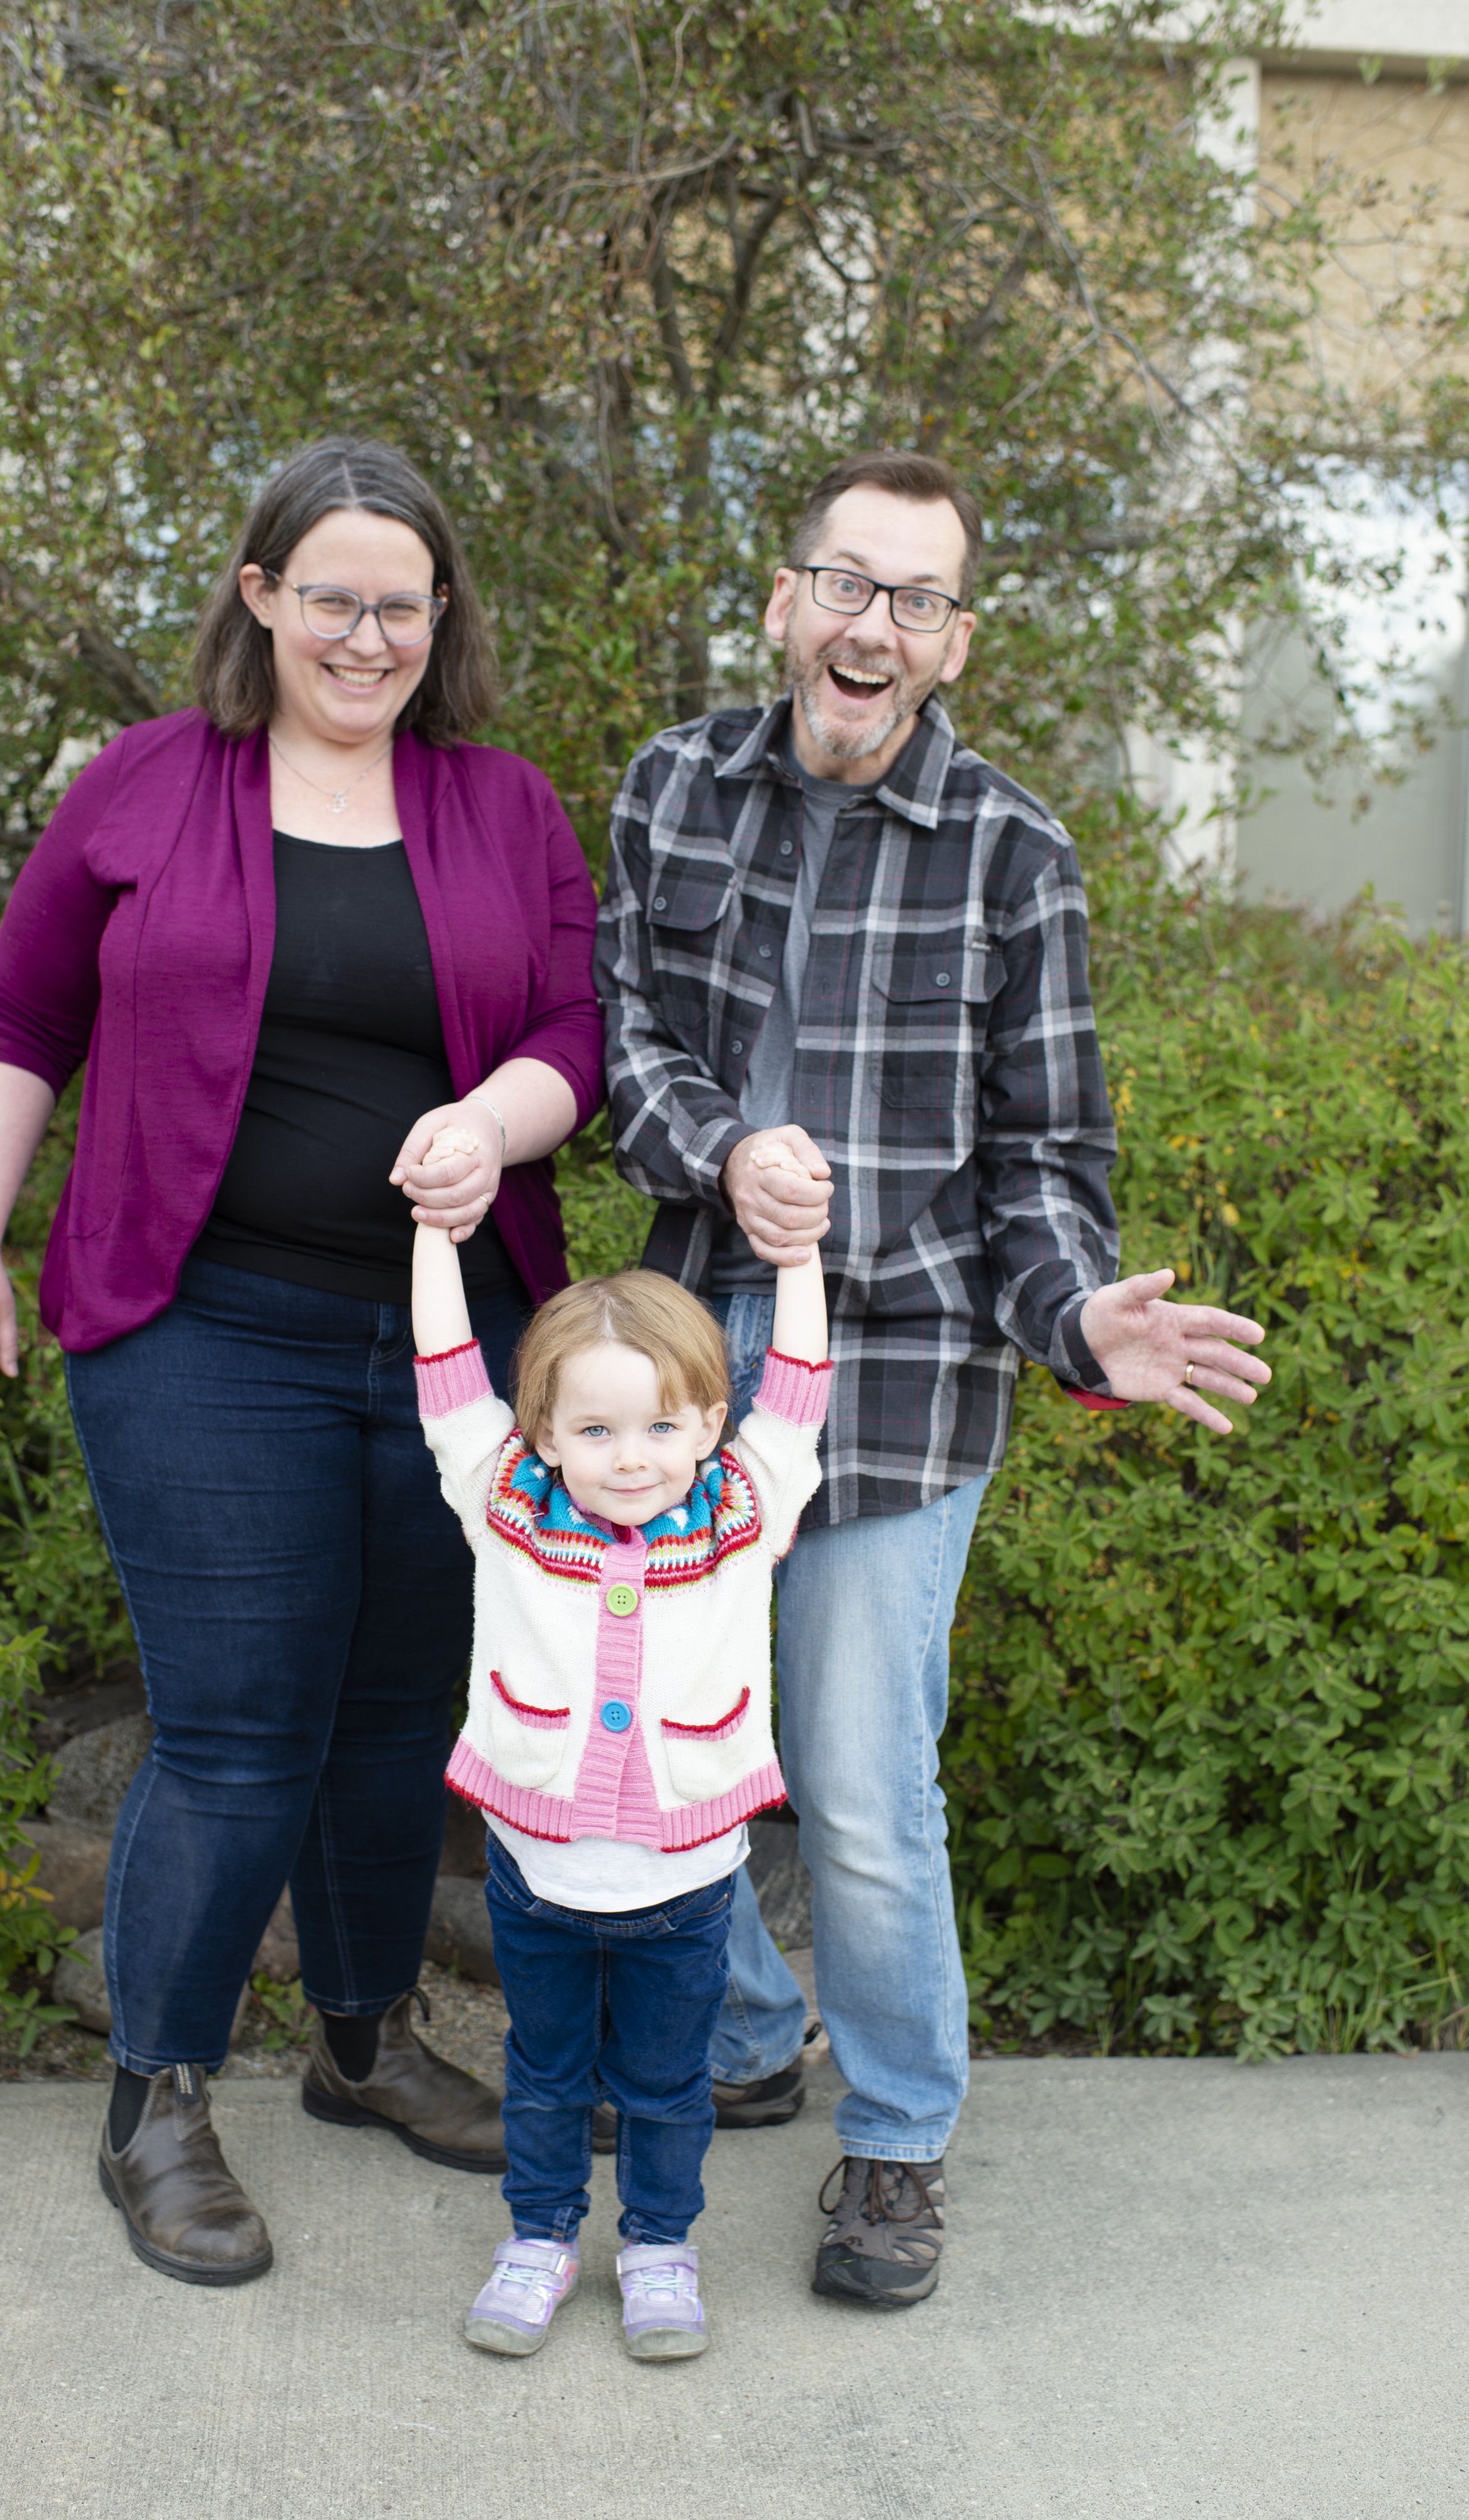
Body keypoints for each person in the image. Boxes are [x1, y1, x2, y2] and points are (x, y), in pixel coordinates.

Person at [594, 447, 1270, 2310]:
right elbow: (619, 1037)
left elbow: (1044, 1162)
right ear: (781, 605)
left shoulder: (1012, 853)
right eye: (843, 582)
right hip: (688, 1361)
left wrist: (1079, 1326)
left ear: (951, 639)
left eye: (911, 598)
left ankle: (889, 2142)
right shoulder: (668, 787)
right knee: (650, 1740)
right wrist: (722, 1150)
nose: (869, 625)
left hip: (900, 1381)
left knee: (859, 1788)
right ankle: (740, 2038)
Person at [0, 438, 603, 2286]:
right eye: (332, 599)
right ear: (258, 598)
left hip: (449, 1351)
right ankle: (154, 2102)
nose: (366, 635)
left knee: (395, 1726)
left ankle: (365, 2045)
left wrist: (496, 1117)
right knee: (233, 1733)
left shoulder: (500, 807)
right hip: (197, 1330)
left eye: (401, 603)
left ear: (438, 616)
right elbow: (18, 1017)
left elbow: (569, 1029)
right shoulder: (148, 784)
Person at [404, 1128, 831, 2358]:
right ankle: (536, 2237)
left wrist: (793, 1254)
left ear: (707, 1421)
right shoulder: (503, 1502)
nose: (627, 1456)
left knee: (660, 2086)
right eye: (592, 1431)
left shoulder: (745, 1510)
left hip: (686, 1885)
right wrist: (437, 1238)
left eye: (656, 1426)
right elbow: (445, 1373)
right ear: (539, 1432)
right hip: (535, 1873)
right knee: (541, 2077)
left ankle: (658, 2246)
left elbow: (797, 1382)